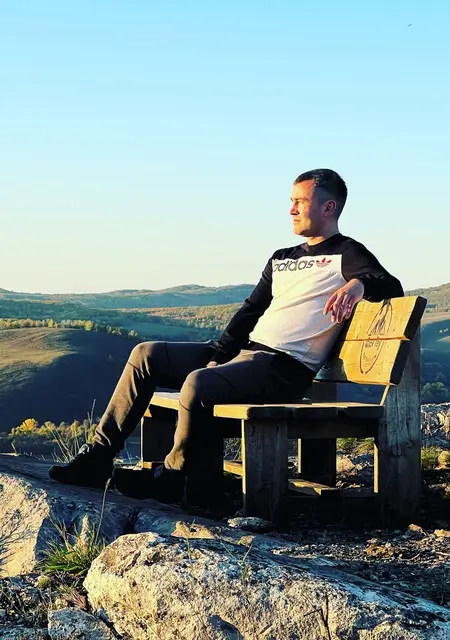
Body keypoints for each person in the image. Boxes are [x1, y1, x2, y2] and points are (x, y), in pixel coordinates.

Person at [49, 168, 403, 503]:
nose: (291, 209)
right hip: (245, 354)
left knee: (198, 383)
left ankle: (173, 478)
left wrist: (358, 284)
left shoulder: (346, 252)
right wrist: (220, 354)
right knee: (146, 354)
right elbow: (250, 310)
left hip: (283, 367)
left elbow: (390, 285)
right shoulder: (282, 258)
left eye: (300, 201)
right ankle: (97, 458)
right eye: (291, 201)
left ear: (328, 207)